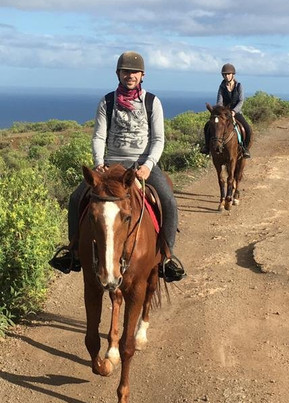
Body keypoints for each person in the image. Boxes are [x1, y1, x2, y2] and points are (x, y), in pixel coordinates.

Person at [48, 51, 186, 281]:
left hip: (140, 165)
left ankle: (167, 256)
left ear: (142, 75)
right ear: (118, 74)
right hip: (110, 165)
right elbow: (99, 136)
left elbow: (158, 139)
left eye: (134, 71)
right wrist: (99, 163)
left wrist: (148, 165)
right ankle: (73, 252)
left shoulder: (152, 102)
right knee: (76, 199)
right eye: (125, 71)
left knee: (168, 200)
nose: (129, 75)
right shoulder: (107, 102)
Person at [202, 62, 252, 157]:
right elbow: (219, 101)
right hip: (224, 113)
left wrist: (234, 111)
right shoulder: (222, 87)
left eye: (228, 74)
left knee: (246, 128)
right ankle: (207, 147)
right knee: (207, 126)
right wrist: (221, 111)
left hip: (235, 112)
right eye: (224, 74)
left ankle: (245, 148)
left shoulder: (239, 86)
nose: (226, 76)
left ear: (232, 74)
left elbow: (241, 100)